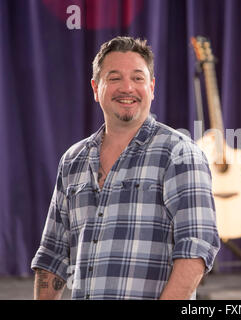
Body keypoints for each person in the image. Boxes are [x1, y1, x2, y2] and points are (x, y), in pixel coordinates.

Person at [31, 36, 220, 300]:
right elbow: (52, 256)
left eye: (138, 78)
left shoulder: (180, 153)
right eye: (115, 77)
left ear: (152, 88)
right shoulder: (72, 161)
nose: (127, 87)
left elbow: (196, 250)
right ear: (96, 88)